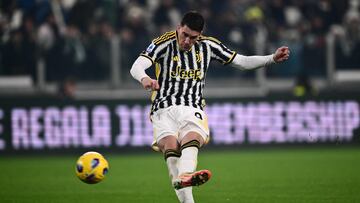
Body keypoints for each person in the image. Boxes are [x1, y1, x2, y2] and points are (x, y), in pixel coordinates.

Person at [130, 11, 290, 203]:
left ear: (200, 35)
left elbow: (242, 61)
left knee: (193, 138)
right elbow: (137, 66)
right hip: (163, 108)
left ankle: (184, 176)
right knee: (170, 147)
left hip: (192, 106)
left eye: (193, 37)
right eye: (185, 35)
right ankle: (183, 181)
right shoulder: (162, 43)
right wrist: (145, 78)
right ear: (179, 28)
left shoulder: (209, 45)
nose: (188, 41)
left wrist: (271, 58)